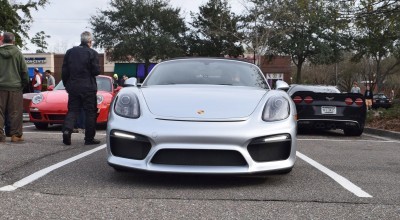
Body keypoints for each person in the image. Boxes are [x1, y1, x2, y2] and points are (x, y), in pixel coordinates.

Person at [61, 31, 100, 145]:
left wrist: (67, 85)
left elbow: (64, 71)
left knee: (73, 110)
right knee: (90, 112)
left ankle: (67, 130)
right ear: (89, 41)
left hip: (73, 87)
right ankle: (89, 138)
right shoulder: (92, 53)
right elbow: (96, 71)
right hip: (88, 87)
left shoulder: (70, 52)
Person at [0, 32, 29, 143]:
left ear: (3, 40)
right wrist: (23, 84)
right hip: (15, 87)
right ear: (13, 40)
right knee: (15, 112)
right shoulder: (18, 53)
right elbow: (24, 71)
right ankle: (15, 135)